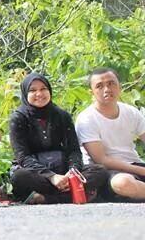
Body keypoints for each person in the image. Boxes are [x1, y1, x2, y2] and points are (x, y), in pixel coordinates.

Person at [9, 73, 109, 204]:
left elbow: (74, 150)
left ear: (49, 91)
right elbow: (23, 157)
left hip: (64, 170)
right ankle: (71, 195)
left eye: (43, 89)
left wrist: (72, 173)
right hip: (37, 173)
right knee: (19, 177)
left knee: (99, 171)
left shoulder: (62, 116)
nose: (39, 94)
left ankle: (45, 198)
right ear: (25, 93)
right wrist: (52, 177)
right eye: (33, 90)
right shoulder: (19, 118)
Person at [75, 68, 145, 202]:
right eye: (99, 86)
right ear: (92, 92)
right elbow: (102, 160)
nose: (107, 89)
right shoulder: (86, 119)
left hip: (134, 163)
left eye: (111, 83)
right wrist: (141, 171)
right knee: (123, 184)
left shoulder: (131, 112)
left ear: (120, 87)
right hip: (108, 171)